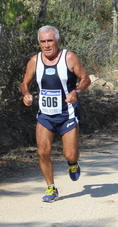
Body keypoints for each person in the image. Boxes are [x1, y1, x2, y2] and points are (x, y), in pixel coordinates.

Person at [20, 25, 91, 202]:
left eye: (50, 40)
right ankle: (51, 188)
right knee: (43, 151)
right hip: (45, 115)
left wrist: (76, 92)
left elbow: (85, 79)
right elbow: (24, 83)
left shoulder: (69, 58)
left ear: (58, 41)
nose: (46, 45)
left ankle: (73, 164)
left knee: (70, 154)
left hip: (66, 115)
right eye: (43, 41)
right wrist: (26, 94)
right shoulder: (34, 61)